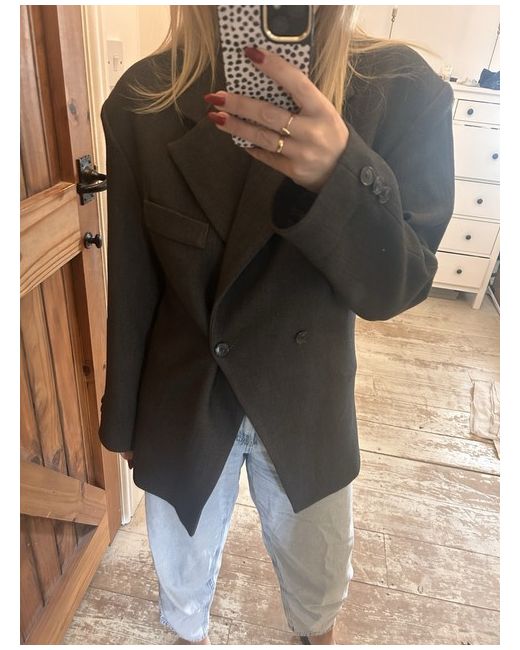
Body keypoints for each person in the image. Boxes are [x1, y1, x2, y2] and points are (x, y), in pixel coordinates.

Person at [98, 5, 455, 645]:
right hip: (183, 398)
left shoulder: (399, 90)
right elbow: (131, 279)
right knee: (181, 582)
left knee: (318, 588)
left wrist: (340, 175)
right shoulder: (146, 98)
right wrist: (125, 420)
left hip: (306, 396)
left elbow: (398, 287)